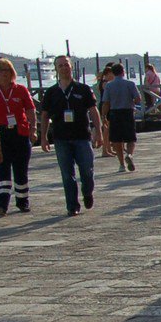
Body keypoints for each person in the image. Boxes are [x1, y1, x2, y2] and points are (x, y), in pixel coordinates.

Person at [37, 55, 102, 217]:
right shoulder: (51, 93)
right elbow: (44, 115)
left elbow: (94, 111)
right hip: (61, 138)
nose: (64, 68)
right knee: (67, 174)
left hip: (82, 136)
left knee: (87, 170)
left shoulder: (83, 89)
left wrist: (99, 132)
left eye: (66, 65)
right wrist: (43, 137)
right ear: (56, 69)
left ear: (71, 67)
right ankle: (72, 205)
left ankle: (87, 192)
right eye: (60, 66)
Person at [0, 58, 36, 214]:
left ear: (12, 73)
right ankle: (2, 204)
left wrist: (33, 129)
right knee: (2, 168)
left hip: (20, 132)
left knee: (21, 169)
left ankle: (22, 201)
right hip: (0, 134)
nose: (4, 74)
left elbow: (30, 110)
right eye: (0, 71)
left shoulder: (20, 90)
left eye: (7, 70)